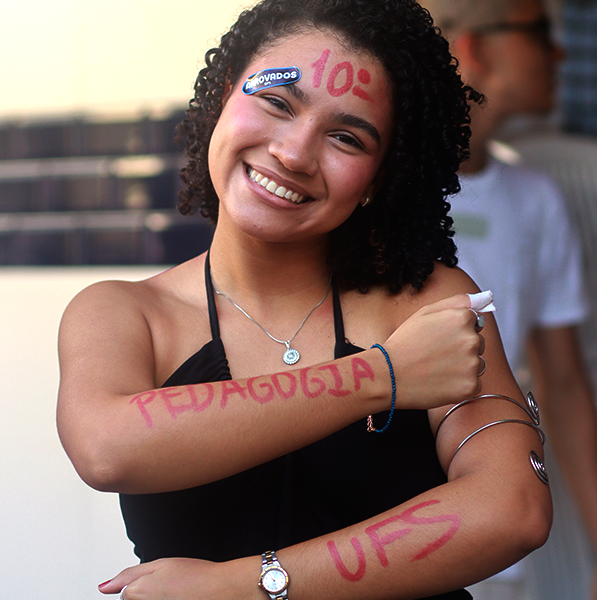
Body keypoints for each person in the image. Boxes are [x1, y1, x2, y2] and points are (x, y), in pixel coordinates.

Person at [56, 1, 552, 599]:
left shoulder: (429, 302)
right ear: (224, 96)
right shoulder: (124, 314)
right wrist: (382, 375)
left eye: (345, 137)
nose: (293, 153)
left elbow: (513, 509)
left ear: (379, 178)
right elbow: (107, 449)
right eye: (277, 103)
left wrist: (244, 586)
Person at [417, 1, 597, 599]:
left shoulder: (535, 198)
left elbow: (563, 384)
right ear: (475, 49)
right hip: (380, 539)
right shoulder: (372, 186)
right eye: (539, 32)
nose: (560, 52)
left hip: (493, 544)